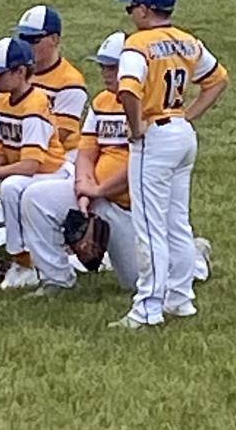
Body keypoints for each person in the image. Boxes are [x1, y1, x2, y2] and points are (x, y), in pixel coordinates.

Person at [109, 0, 229, 330]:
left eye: (132, 6)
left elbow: (128, 89)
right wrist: (187, 115)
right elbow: (217, 79)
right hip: (180, 133)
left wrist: (134, 128)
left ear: (145, 10)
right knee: (177, 222)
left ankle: (148, 307)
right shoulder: (188, 41)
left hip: (155, 138)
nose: (130, 12)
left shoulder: (138, 44)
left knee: (149, 226)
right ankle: (181, 298)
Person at [75, 31, 212, 291]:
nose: (105, 73)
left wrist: (97, 190)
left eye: (112, 67)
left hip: (132, 204)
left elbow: (140, 165)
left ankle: (194, 261)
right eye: (102, 66)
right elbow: (86, 150)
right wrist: (84, 186)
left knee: (136, 279)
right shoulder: (101, 101)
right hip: (105, 198)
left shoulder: (147, 105)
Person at [0, 38, 71, 293]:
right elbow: (1, 152)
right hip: (32, 174)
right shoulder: (3, 101)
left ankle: (23, 261)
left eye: (0, 74)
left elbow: (29, 165)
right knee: (7, 185)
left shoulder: (35, 104)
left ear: (20, 72)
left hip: (53, 175)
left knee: (12, 187)